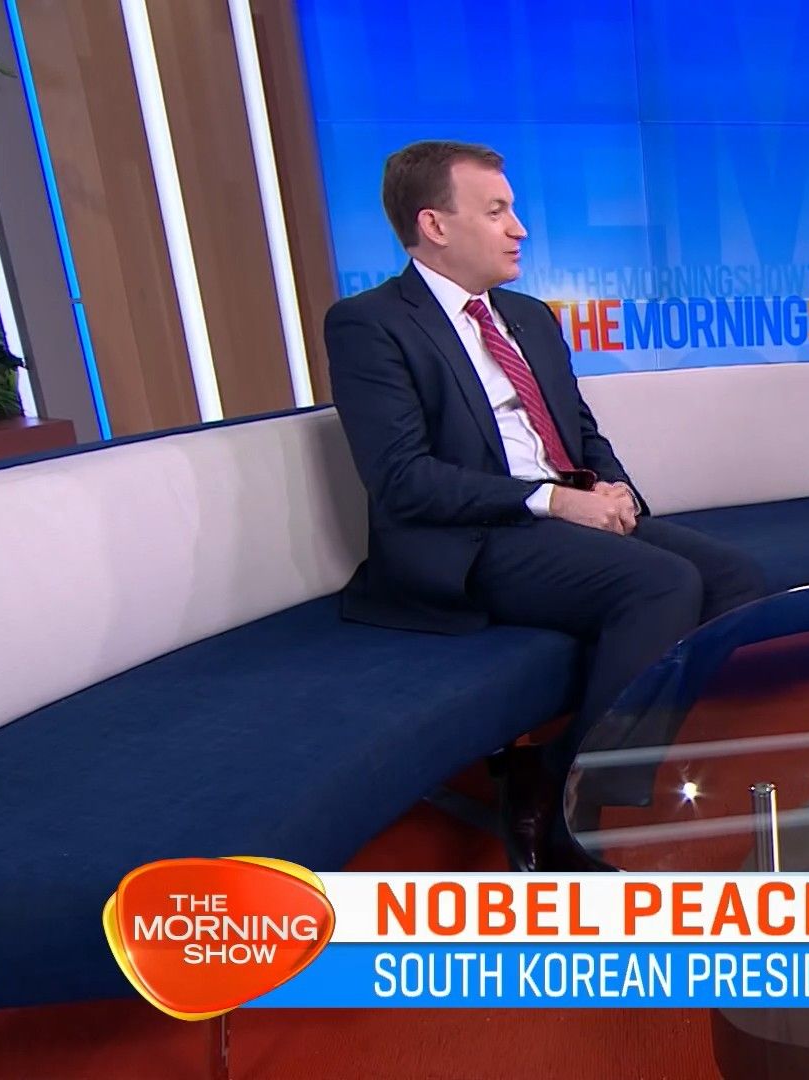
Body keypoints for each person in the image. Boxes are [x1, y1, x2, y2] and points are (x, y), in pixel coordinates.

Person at [325, 141, 767, 871]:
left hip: (563, 516)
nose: (520, 228)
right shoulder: (370, 324)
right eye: (497, 211)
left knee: (737, 580)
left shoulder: (528, 317)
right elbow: (403, 479)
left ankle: (558, 769)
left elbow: (579, 431)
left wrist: (613, 488)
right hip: (471, 538)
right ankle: (576, 816)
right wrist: (552, 500)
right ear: (435, 225)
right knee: (661, 584)